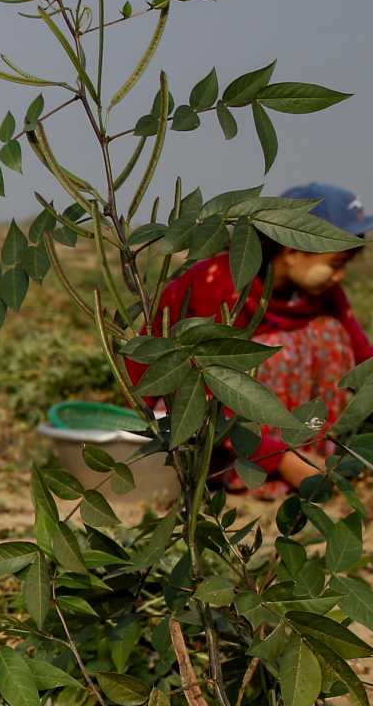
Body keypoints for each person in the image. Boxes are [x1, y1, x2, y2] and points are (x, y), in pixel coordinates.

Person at [148, 183, 369, 495]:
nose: (341, 276)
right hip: (200, 426)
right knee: (270, 352)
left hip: (285, 442)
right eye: (336, 264)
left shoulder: (322, 295)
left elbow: (363, 357)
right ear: (293, 251)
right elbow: (198, 392)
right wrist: (279, 458)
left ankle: (315, 450)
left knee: (328, 333)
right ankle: (260, 467)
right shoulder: (218, 283)